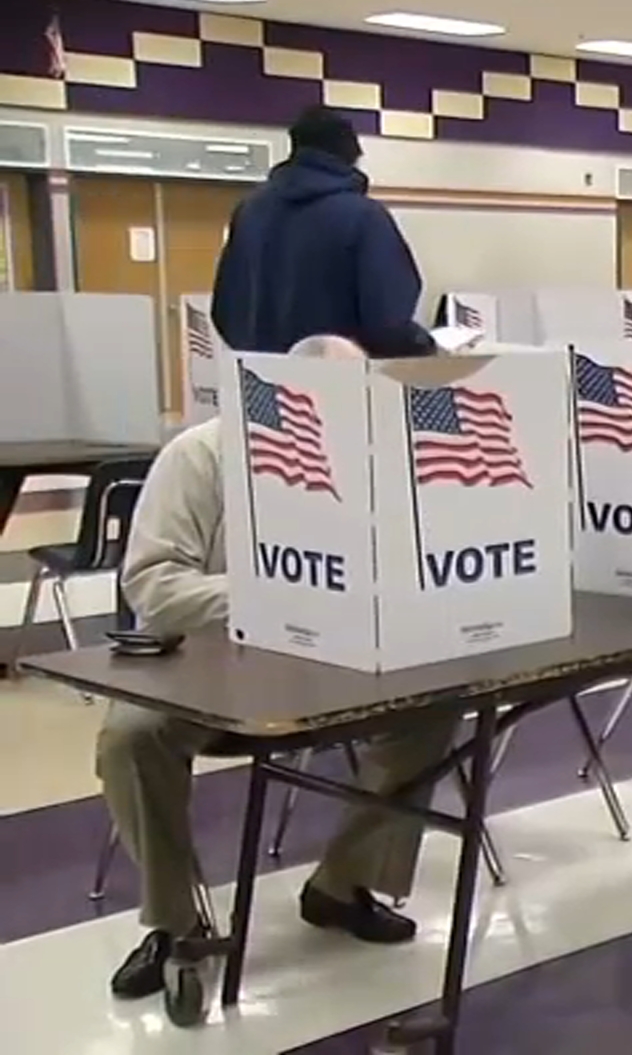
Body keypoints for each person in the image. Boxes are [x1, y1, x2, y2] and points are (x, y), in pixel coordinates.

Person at [100, 335, 457, 1001]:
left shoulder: (377, 455)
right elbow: (151, 582)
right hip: (208, 656)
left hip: (336, 653)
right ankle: (177, 924)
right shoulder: (202, 455)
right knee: (132, 735)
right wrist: (272, 593)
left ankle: (342, 883)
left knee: (434, 706)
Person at [212, 106, 438, 358]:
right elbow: (387, 320)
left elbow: (226, 310)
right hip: (342, 382)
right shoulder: (363, 217)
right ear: (349, 156)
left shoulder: (249, 211)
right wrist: (426, 347)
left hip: (261, 382)